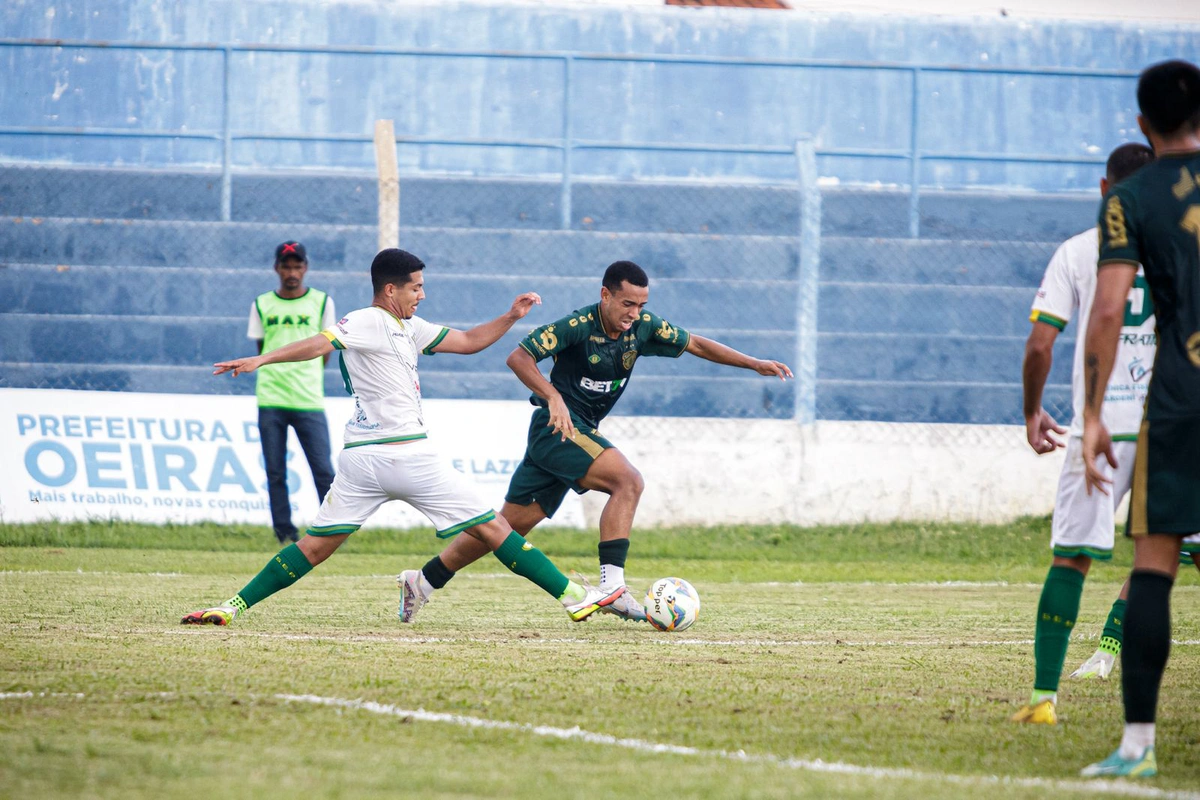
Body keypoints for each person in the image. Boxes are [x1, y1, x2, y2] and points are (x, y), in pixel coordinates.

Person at [182, 248, 624, 627]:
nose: (422, 294)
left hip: (361, 461)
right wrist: (265, 359)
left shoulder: (409, 328)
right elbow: (320, 342)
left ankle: (232, 605)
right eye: (416, 287)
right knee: (493, 527)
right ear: (390, 290)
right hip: (406, 455)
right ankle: (574, 597)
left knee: (314, 546)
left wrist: (510, 316)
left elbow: (469, 340)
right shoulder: (369, 320)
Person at [396, 260, 793, 624]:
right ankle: (612, 586)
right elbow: (519, 358)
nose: (633, 313)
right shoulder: (576, 326)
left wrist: (753, 362)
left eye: (640, 304)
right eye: (626, 303)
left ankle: (423, 582)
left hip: (570, 435)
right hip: (559, 430)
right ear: (605, 295)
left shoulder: (644, 328)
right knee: (629, 481)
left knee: (502, 529)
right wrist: (553, 397)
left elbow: (698, 344)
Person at [1013, 143, 1200, 725]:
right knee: (1162, 558)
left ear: (1106, 191)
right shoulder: (1186, 245)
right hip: (1175, 420)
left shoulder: (1079, 251)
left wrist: (1032, 411)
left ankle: (1045, 699)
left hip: (1101, 425)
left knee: (1071, 558)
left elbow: (1041, 344)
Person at [1079, 59, 1200, 779]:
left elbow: (1106, 308)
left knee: (1153, 565)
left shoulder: (1128, 196)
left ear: (1141, 124)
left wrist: (1093, 413)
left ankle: (1137, 747)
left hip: (1181, 397)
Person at [248, 241, 337, 544]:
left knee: (323, 470)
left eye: (297, 266)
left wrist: (306, 375)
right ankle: (284, 533)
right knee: (275, 471)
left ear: (306, 268)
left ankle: (333, 530)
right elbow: (262, 349)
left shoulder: (322, 302)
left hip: (308, 398)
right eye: (286, 266)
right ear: (277, 268)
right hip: (271, 397)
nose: (292, 272)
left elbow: (326, 350)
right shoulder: (262, 303)